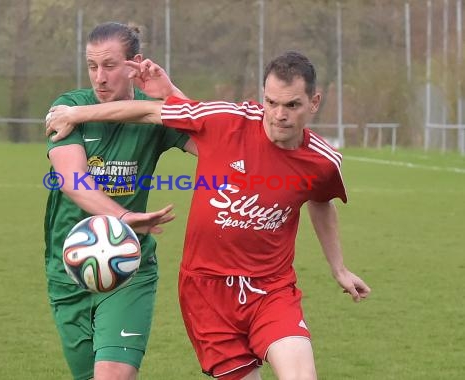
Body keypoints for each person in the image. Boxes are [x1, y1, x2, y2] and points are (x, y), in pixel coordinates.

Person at [46, 51, 371, 380]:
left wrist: (339, 268)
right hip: (206, 293)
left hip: (270, 289)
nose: (278, 115)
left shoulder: (322, 161)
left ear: (314, 102)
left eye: (292, 105)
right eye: (271, 103)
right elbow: (147, 110)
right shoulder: (226, 120)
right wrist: (76, 114)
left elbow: (321, 200)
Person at [44, 22, 196, 380]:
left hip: (130, 265)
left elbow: (218, 142)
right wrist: (124, 216)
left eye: (110, 66)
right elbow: (72, 181)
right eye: (92, 66)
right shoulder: (68, 107)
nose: (100, 77)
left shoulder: (155, 110)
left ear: (134, 64)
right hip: (70, 265)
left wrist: (171, 92)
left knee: (112, 375)